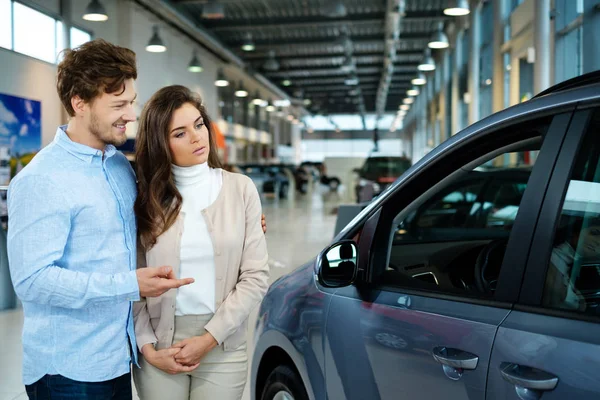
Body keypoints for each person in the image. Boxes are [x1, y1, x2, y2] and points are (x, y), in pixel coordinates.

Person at [7, 39, 197, 399]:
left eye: (132, 101)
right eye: (119, 104)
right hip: (67, 370)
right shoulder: (42, 179)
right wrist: (128, 284)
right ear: (79, 103)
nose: (131, 113)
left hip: (116, 359)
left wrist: (239, 219)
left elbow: (153, 218)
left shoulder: (116, 165)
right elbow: (32, 281)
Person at [132, 85, 270, 400]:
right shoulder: (145, 200)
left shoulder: (241, 189)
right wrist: (148, 348)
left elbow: (256, 276)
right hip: (159, 343)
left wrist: (208, 338)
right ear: (161, 144)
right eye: (179, 133)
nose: (197, 137)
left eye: (198, 124)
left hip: (223, 342)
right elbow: (134, 283)